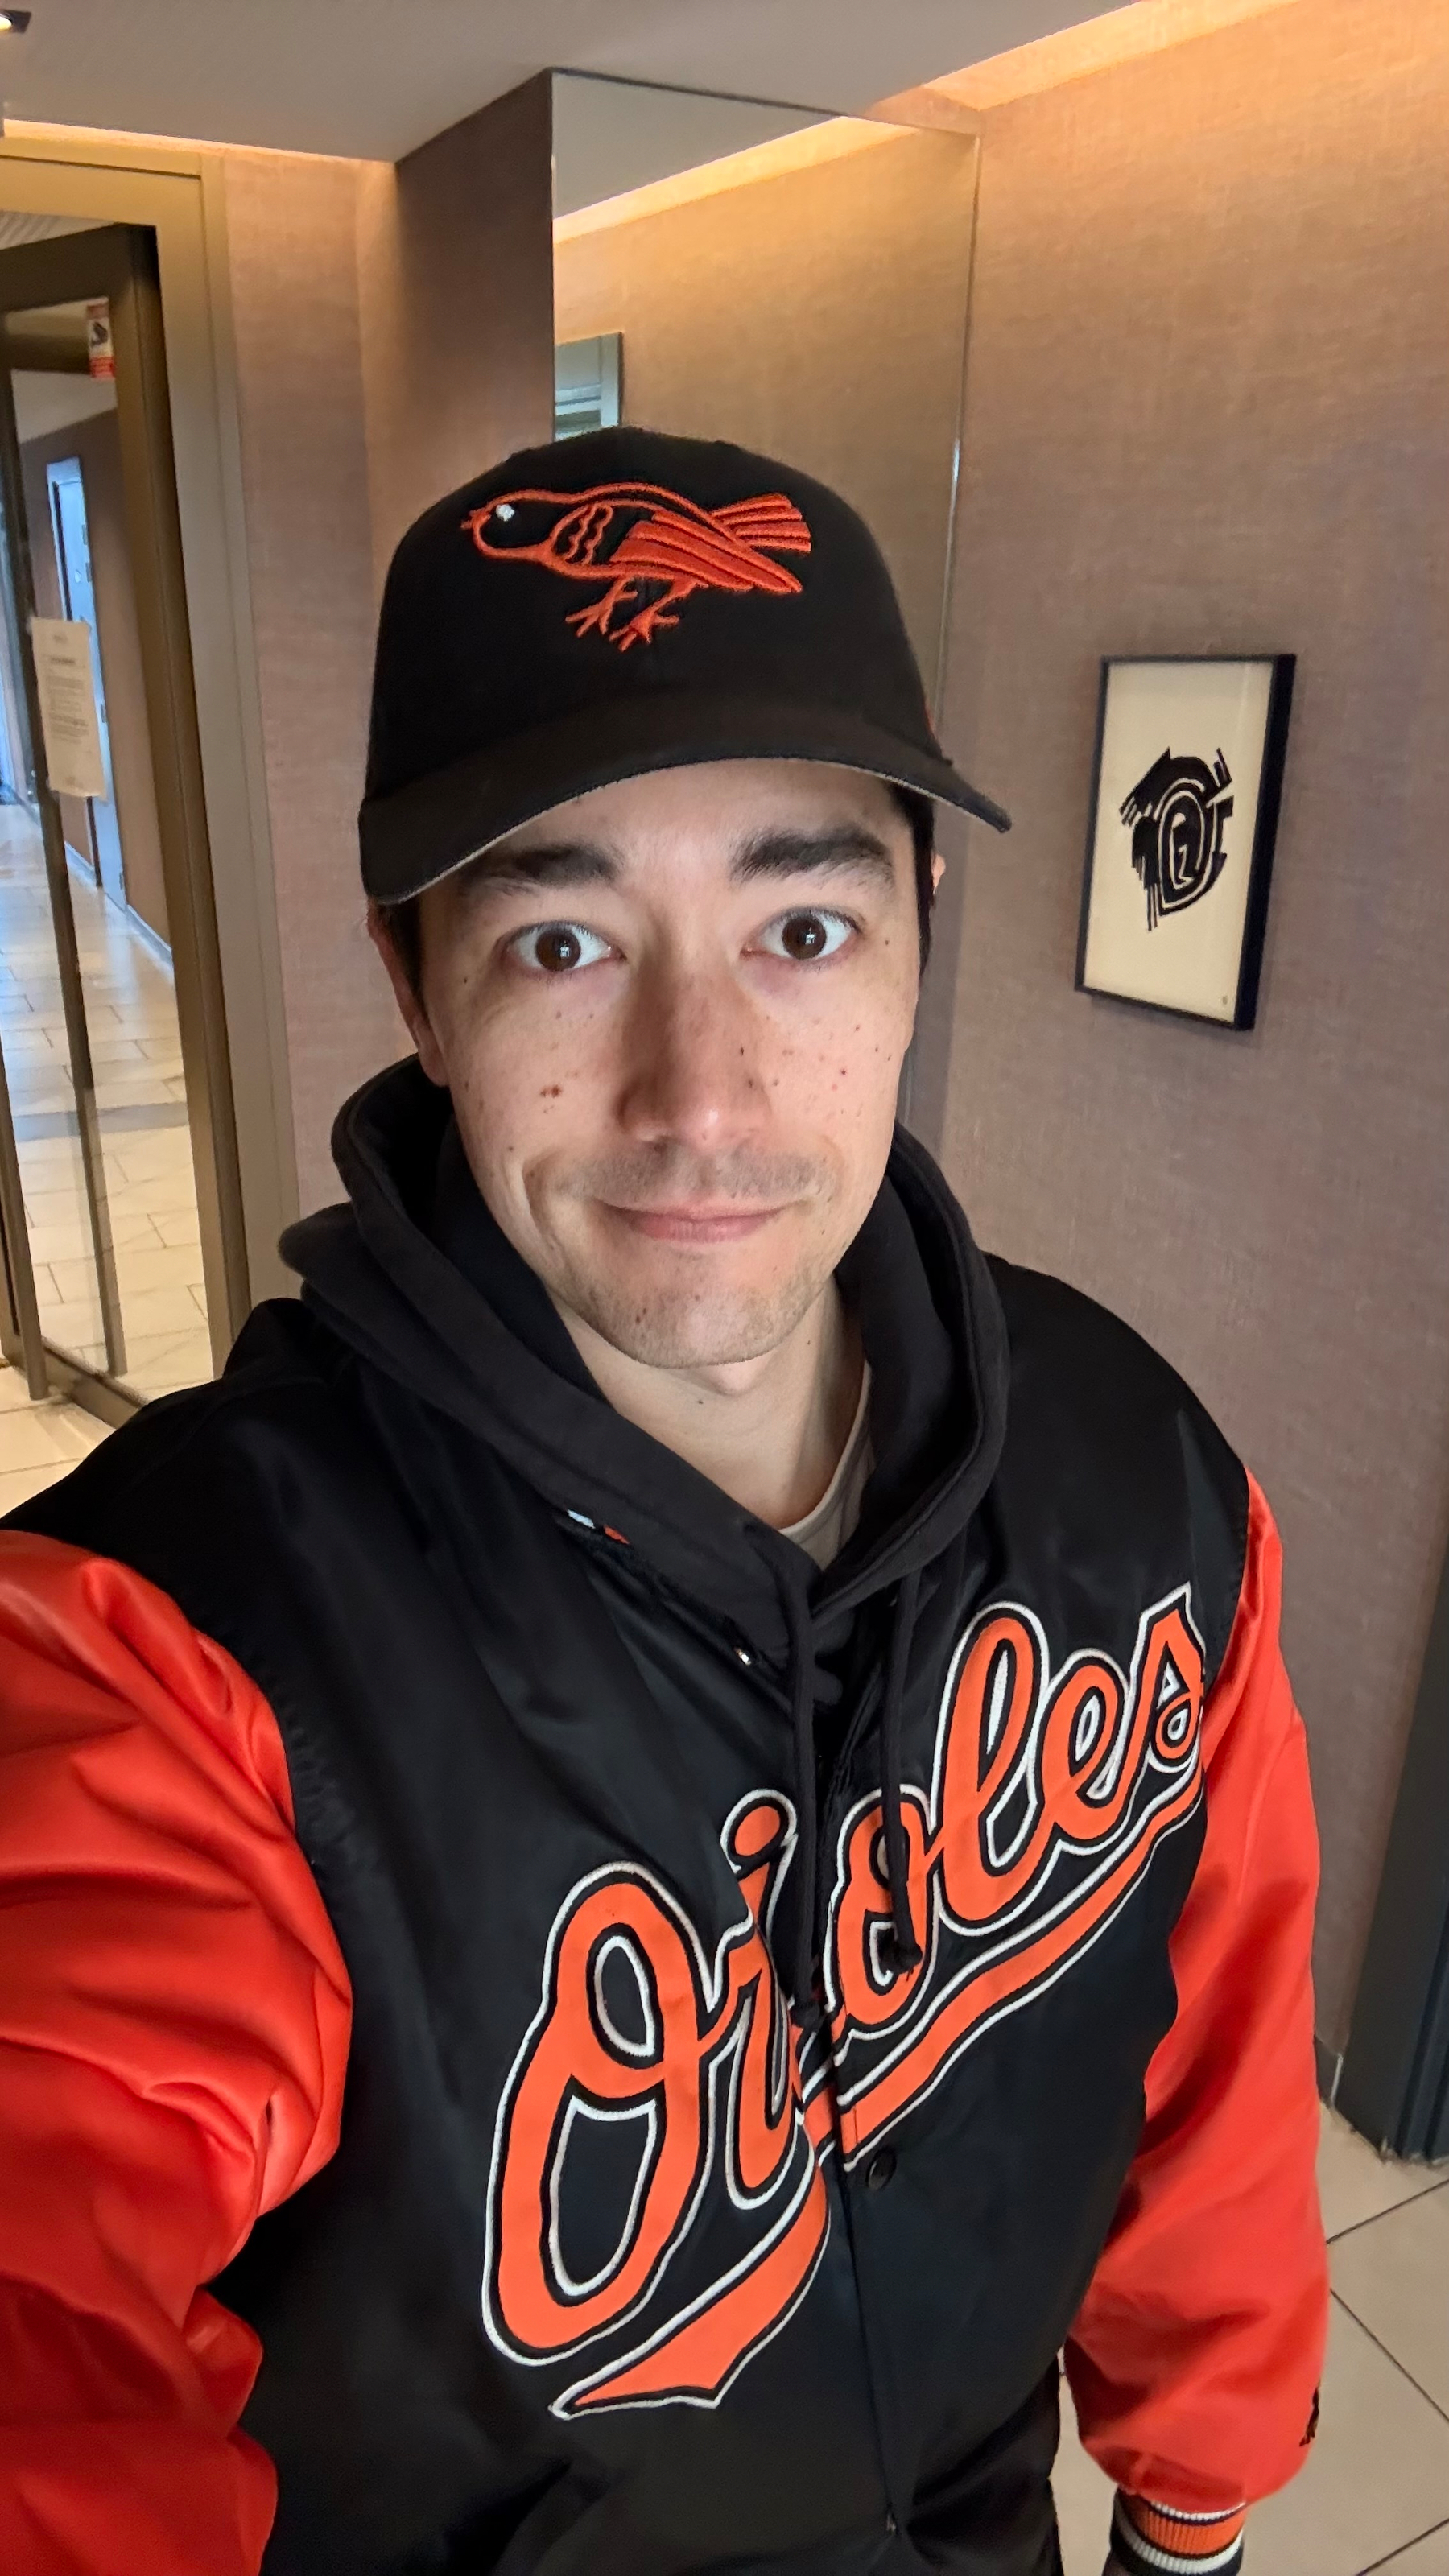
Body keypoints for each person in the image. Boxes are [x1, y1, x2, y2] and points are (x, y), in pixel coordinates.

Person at [0, 428, 1326, 2576]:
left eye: (801, 924)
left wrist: (1198, 2508)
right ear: (415, 982)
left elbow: (1220, 2055)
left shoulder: (1138, 1473)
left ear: (918, 945)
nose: (696, 1097)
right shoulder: (164, 1659)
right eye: (563, 948)